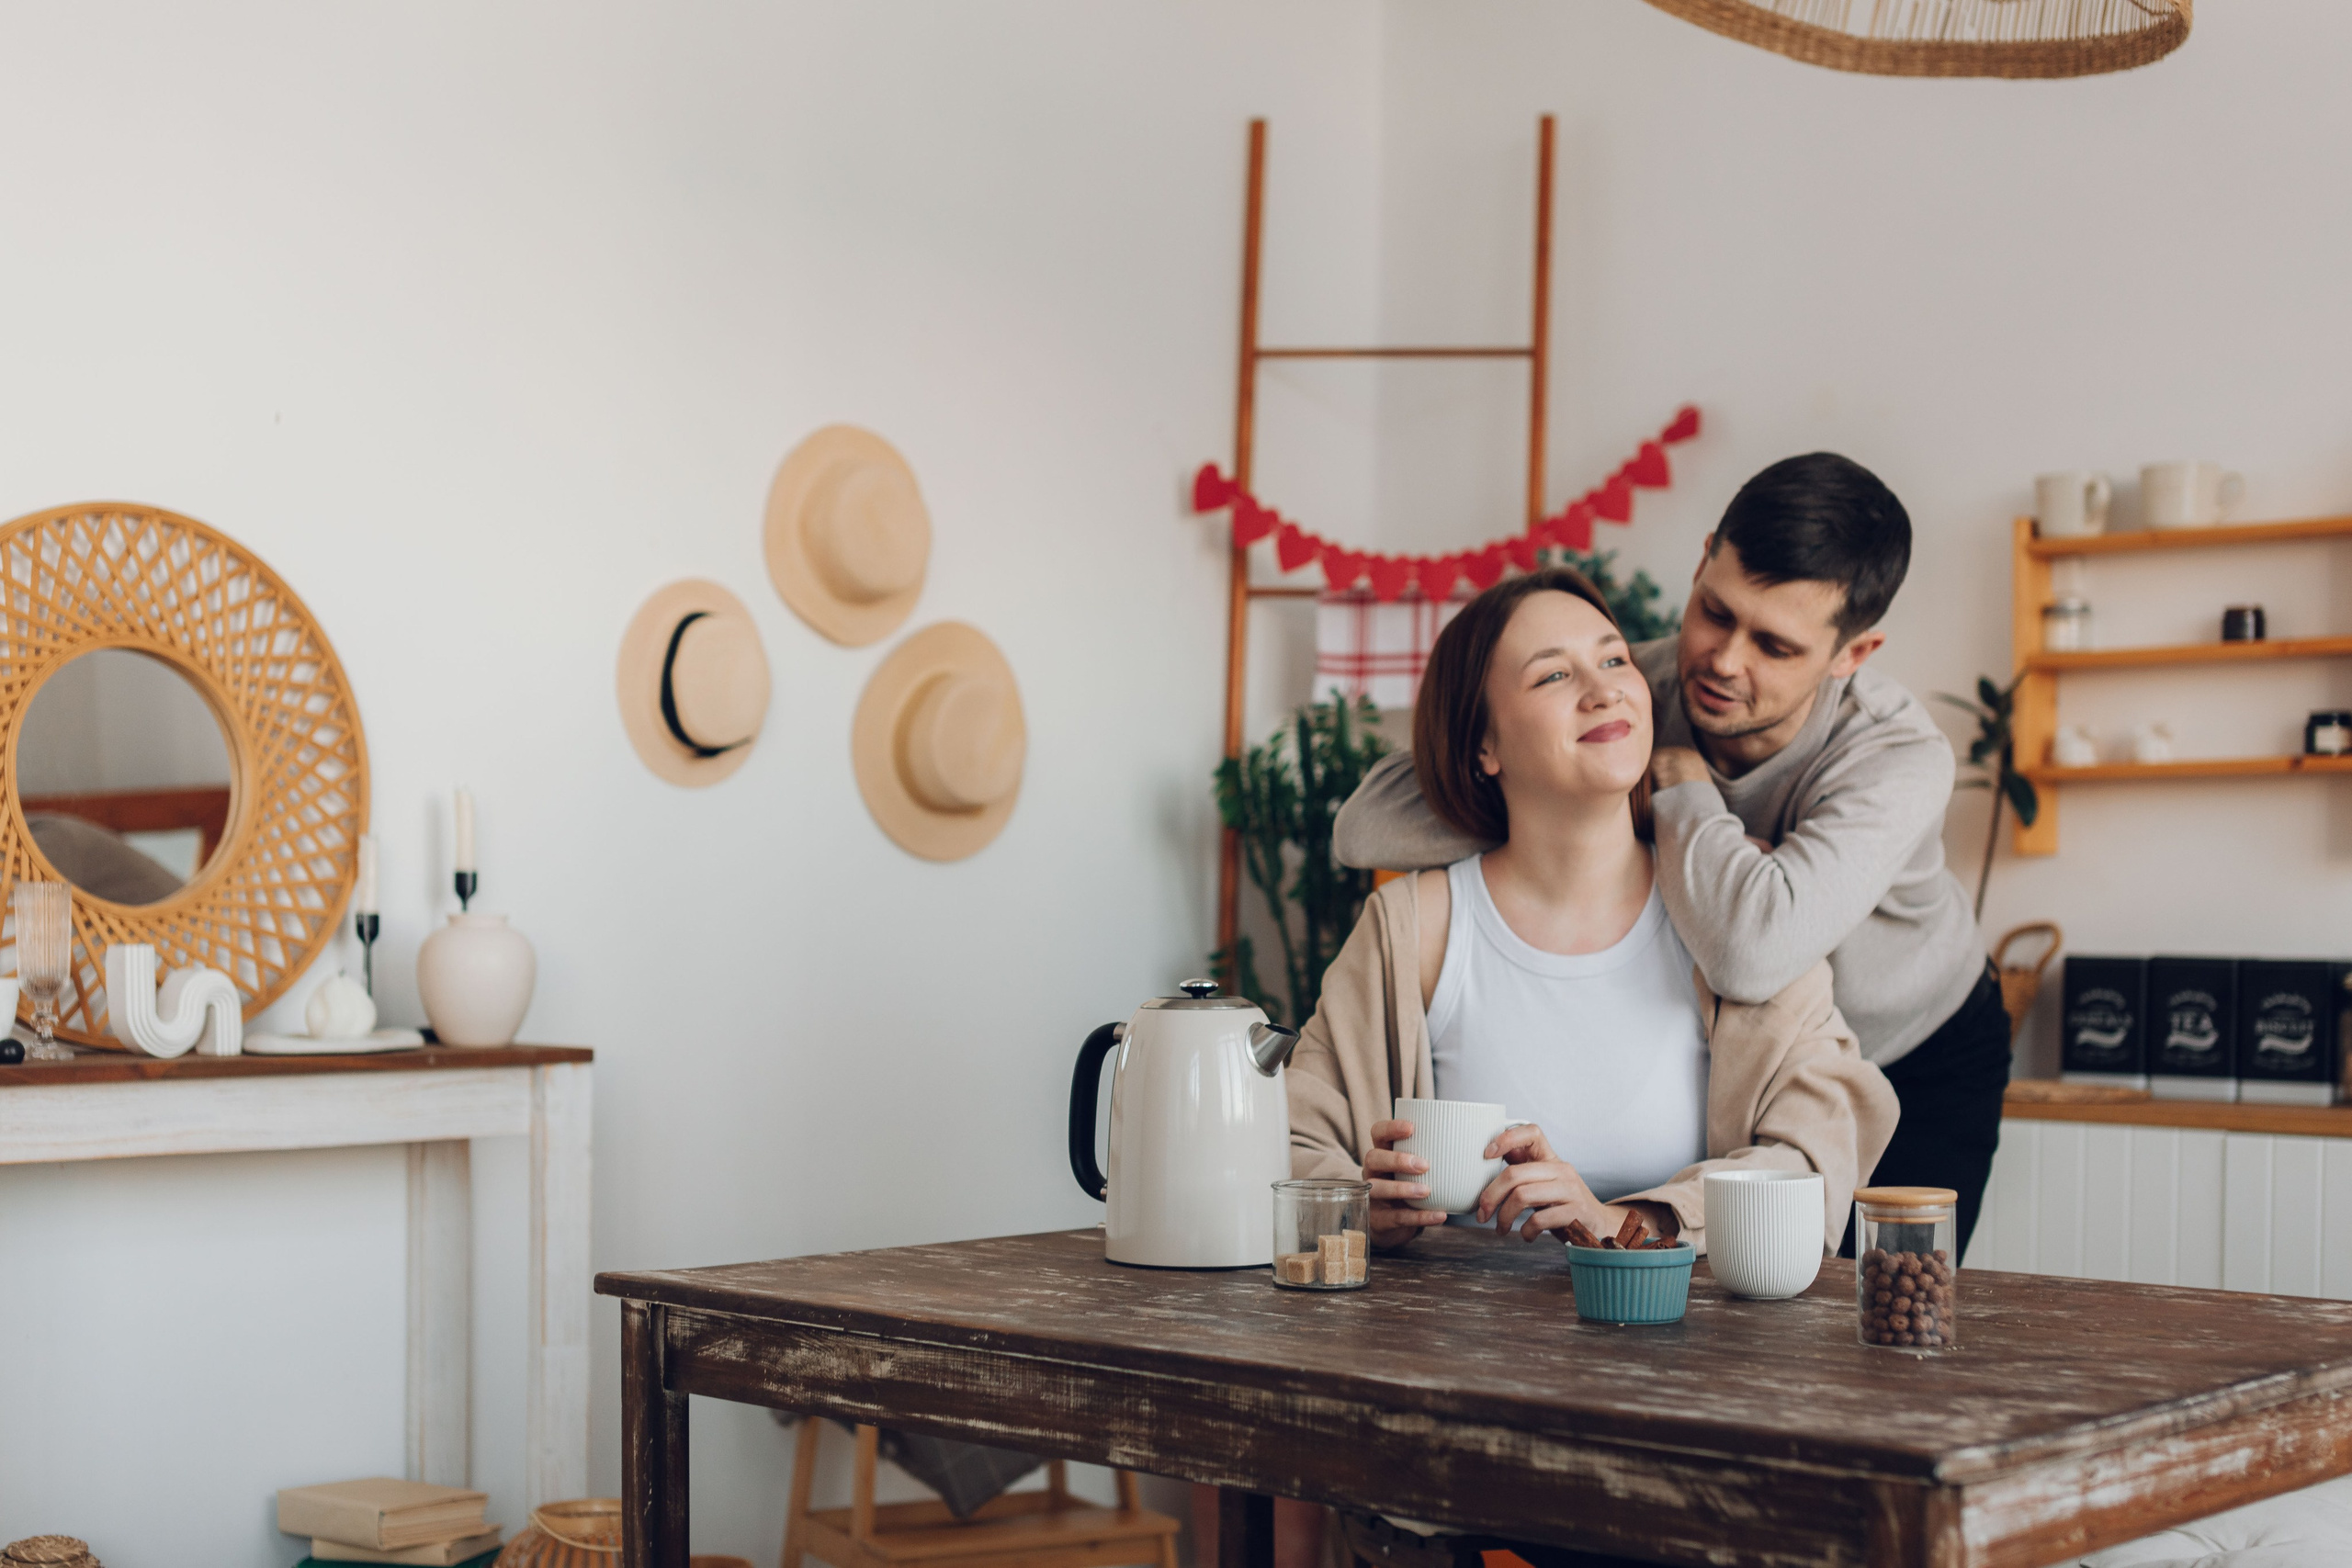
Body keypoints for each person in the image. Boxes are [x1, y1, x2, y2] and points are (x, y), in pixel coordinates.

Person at [1331, 454, 2009, 1258]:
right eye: (1715, 612)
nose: (1724, 660)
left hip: (1918, 1046)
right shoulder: (1629, 689)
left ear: (1851, 655)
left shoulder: (1897, 757)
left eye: (1775, 645)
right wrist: (1559, 771)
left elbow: (1752, 953)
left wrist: (1683, 788)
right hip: (1751, 1049)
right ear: (1702, 560)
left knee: (1887, 1303)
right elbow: (1365, 827)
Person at [1288, 563, 1896, 1254]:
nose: (1604, 690)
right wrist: (1357, 1205)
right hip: (1442, 1323)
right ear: (1484, 744)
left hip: (1678, 1323)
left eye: (1614, 660)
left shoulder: (1733, 915)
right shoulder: (1414, 928)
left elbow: (1815, 1154)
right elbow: (1290, 1138)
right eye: (1553, 675)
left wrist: (1628, 1224)